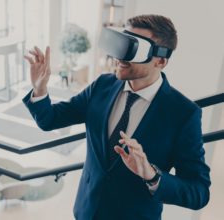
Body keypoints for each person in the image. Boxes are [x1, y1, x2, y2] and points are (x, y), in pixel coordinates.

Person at [23, 14, 211, 220]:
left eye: (133, 49)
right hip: (86, 210)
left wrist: (151, 175)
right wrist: (39, 89)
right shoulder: (102, 86)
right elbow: (50, 120)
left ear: (161, 60)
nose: (119, 57)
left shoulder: (183, 114)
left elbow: (198, 192)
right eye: (122, 44)